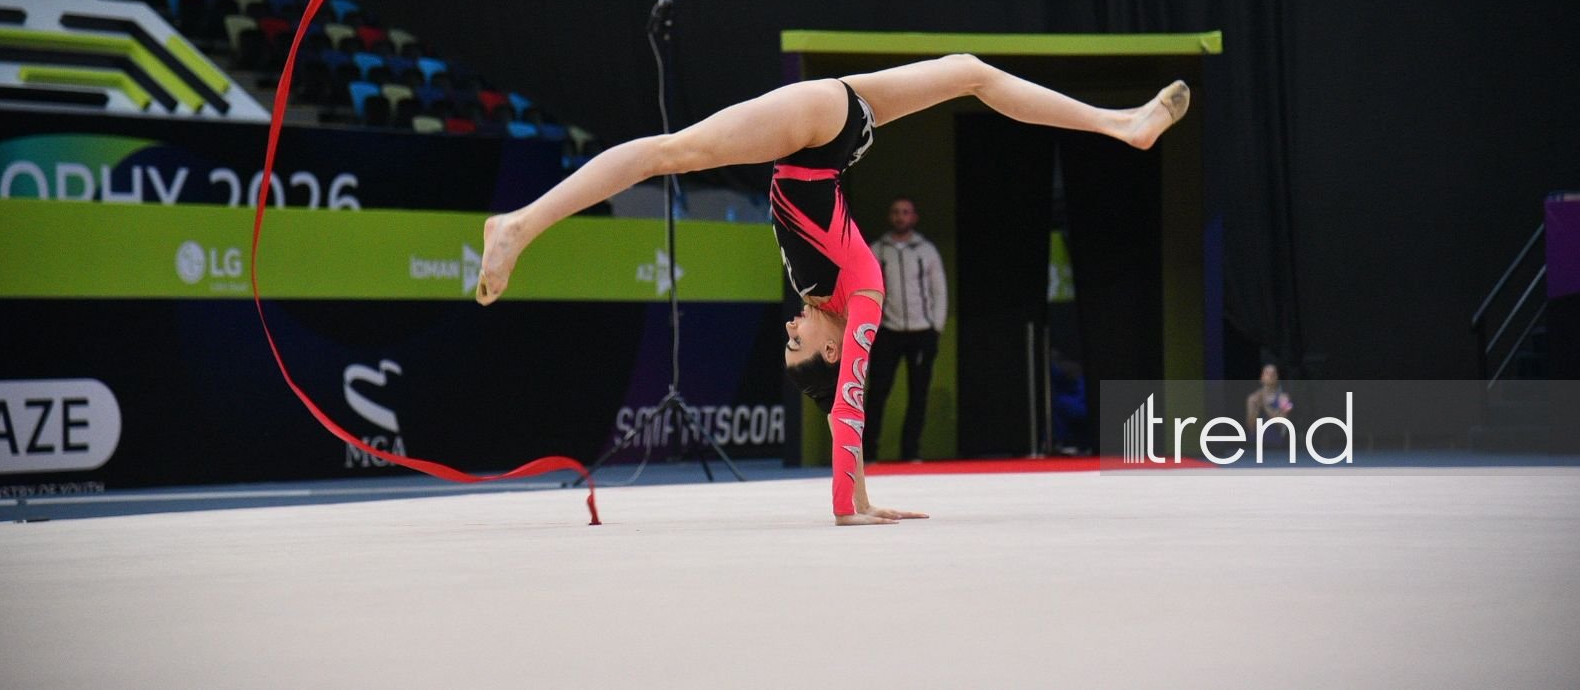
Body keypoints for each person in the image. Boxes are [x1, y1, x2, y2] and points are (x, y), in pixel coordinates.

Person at [476, 54, 1190, 524]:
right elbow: (850, 402)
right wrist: (853, 504)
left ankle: (1122, 125)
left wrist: (863, 496)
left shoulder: (819, 291)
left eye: (784, 347)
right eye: (799, 351)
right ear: (836, 343)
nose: (788, 335)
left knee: (972, 71)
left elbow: (840, 392)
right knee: (672, 153)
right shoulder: (863, 298)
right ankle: (519, 224)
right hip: (823, 132)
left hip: (827, 137)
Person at [865, 196, 947, 463]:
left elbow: (939, 290)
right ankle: (868, 453)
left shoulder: (926, 250)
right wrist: (873, 326)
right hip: (888, 330)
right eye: (896, 212)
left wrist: (936, 326)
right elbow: (867, 288)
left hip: (922, 331)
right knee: (877, 393)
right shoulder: (878, 250)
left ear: (914, 217)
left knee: (918, 394)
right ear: (890, 216)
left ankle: (910, 452)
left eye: (906, 212)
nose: (901, 216)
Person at [1246, 364, 1294, 449]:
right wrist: (1256, 408)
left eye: (1273, 373)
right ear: (1261, 378)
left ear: (1277, 378)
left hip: (1277, 445)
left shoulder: (1284, 398)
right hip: (1256, 445)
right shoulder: (1253, 398)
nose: (1271, 376)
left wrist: (1265, 406)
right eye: (1267, 373)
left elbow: (1283, 424)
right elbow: (1251, 427)